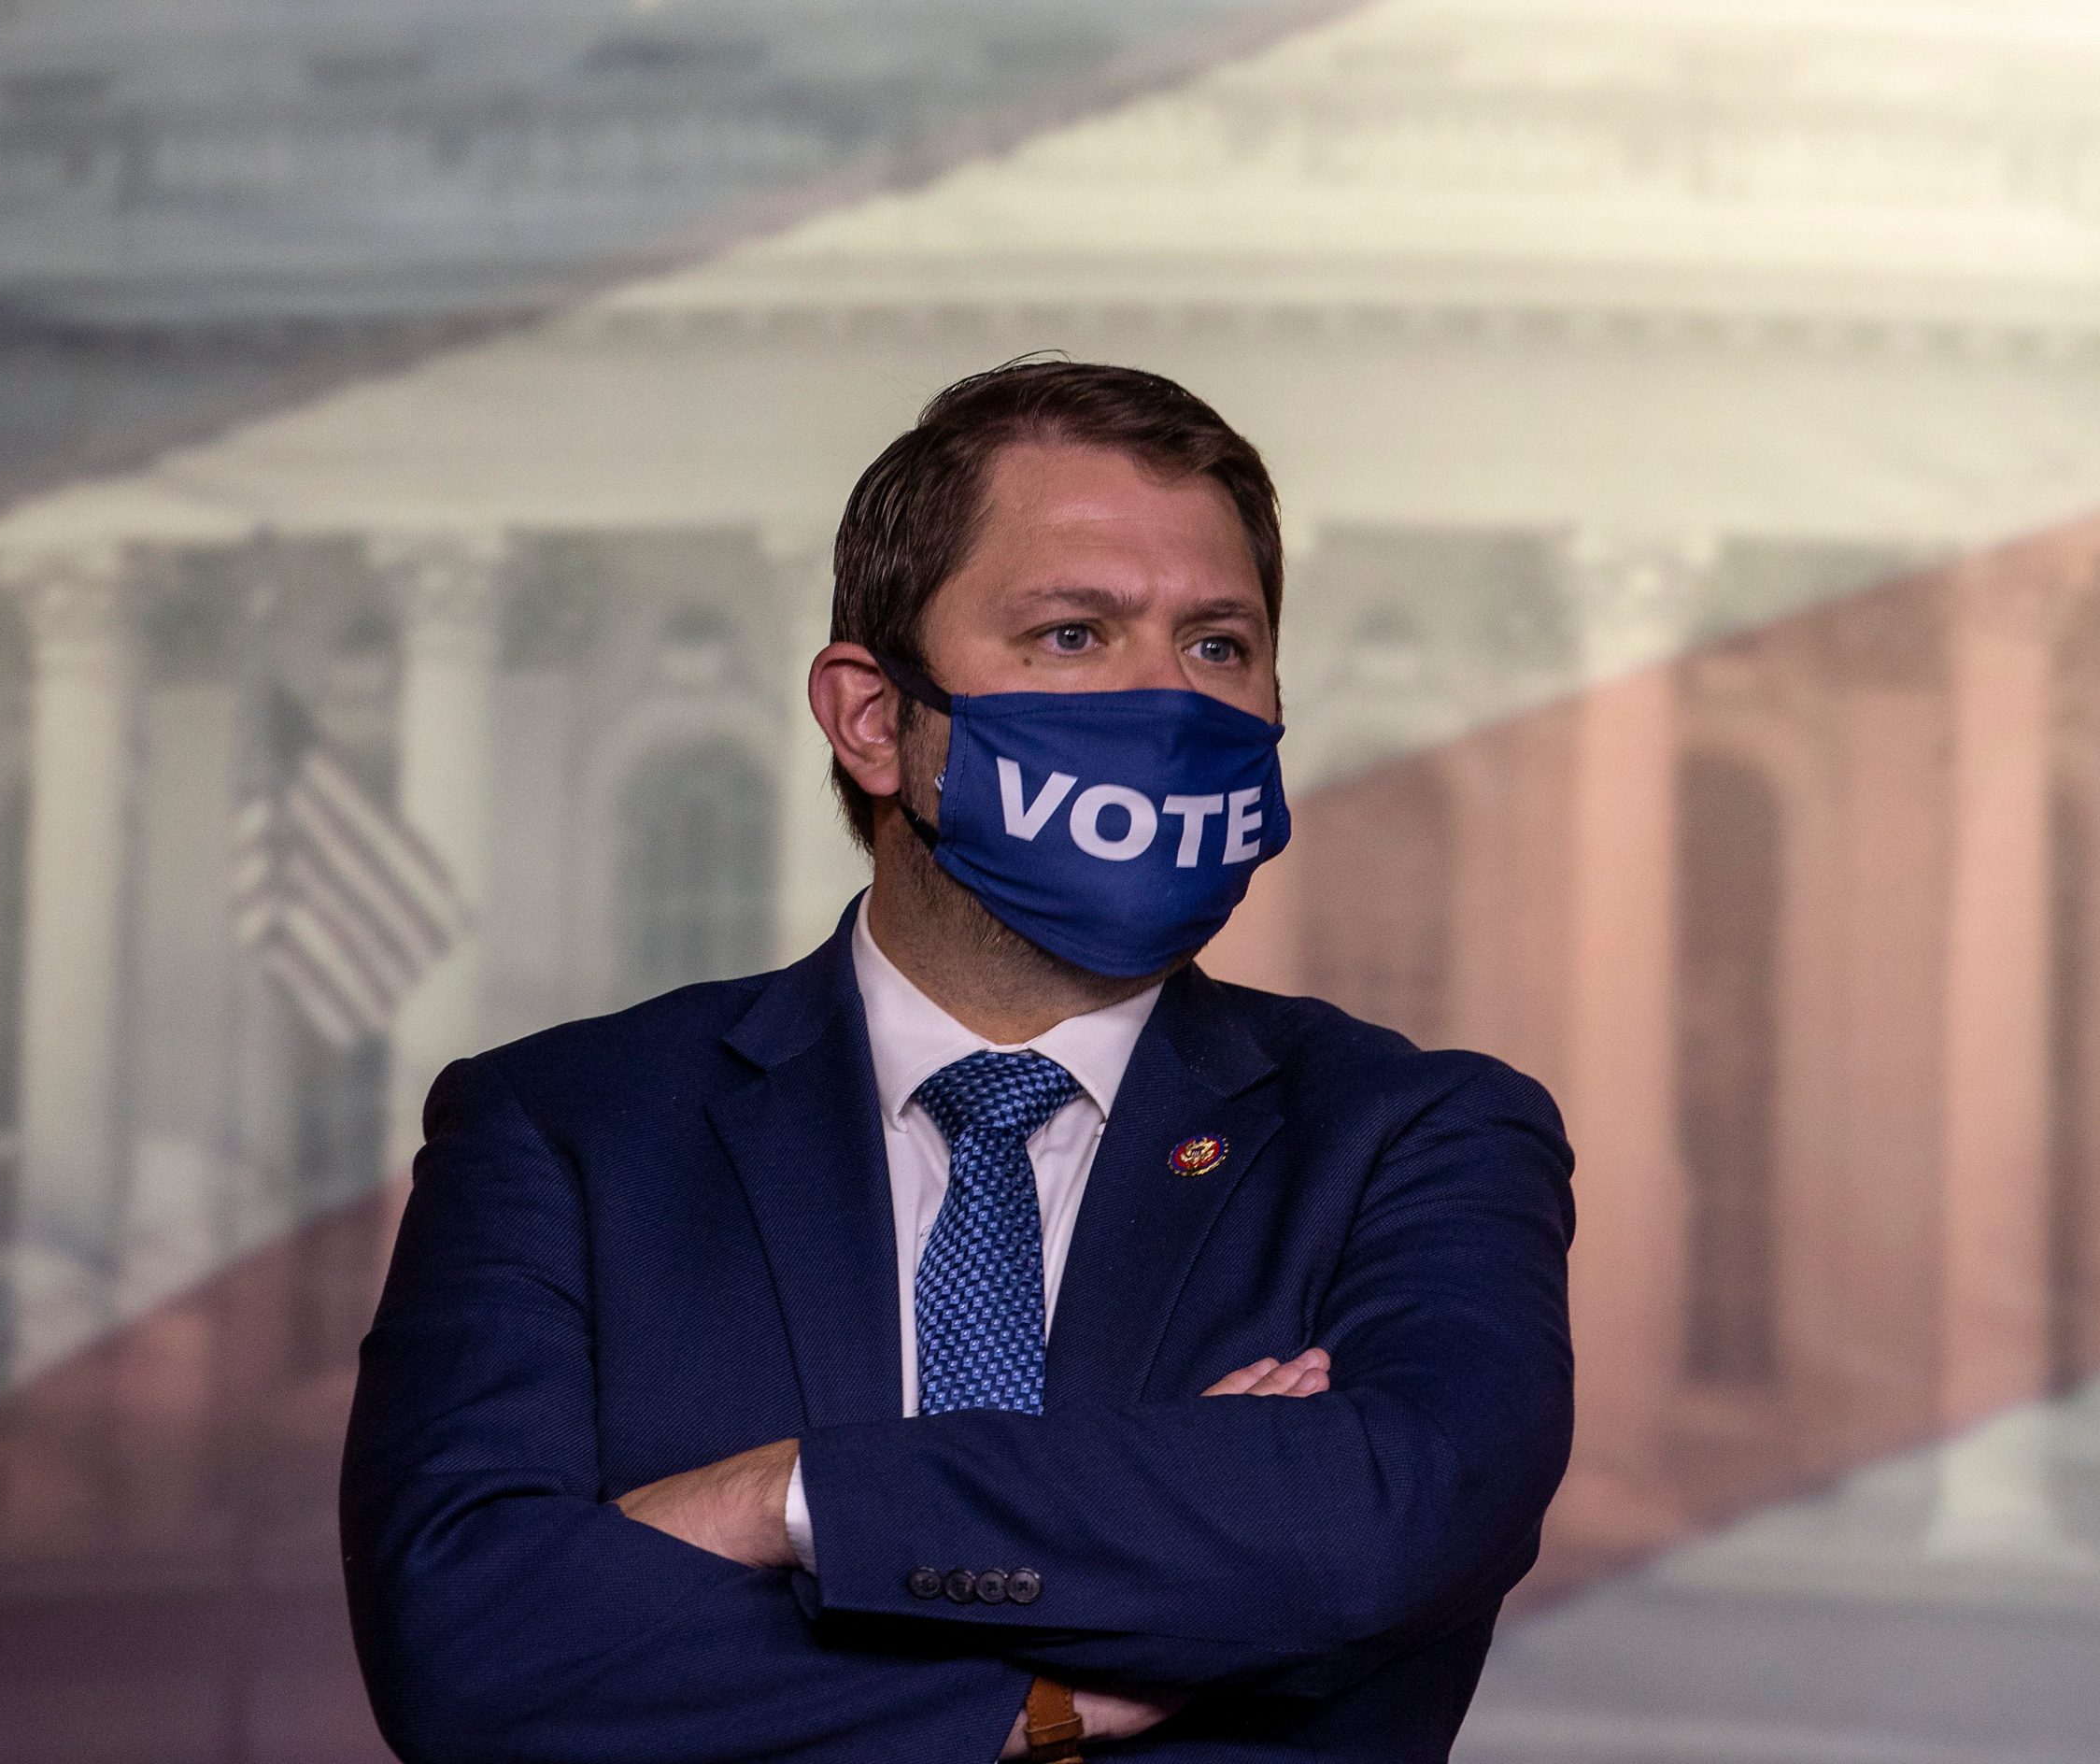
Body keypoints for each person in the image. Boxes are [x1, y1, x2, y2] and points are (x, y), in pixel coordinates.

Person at [339, 359, 1576, 1762]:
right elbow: (471, 1652)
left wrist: (783, 1504)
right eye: (1073, 635)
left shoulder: (1417, 1140)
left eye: (1219, 646)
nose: (1167, 700)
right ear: (875, 719)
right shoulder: (562, 1132)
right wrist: (1049, 1693)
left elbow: (1376, 1530)